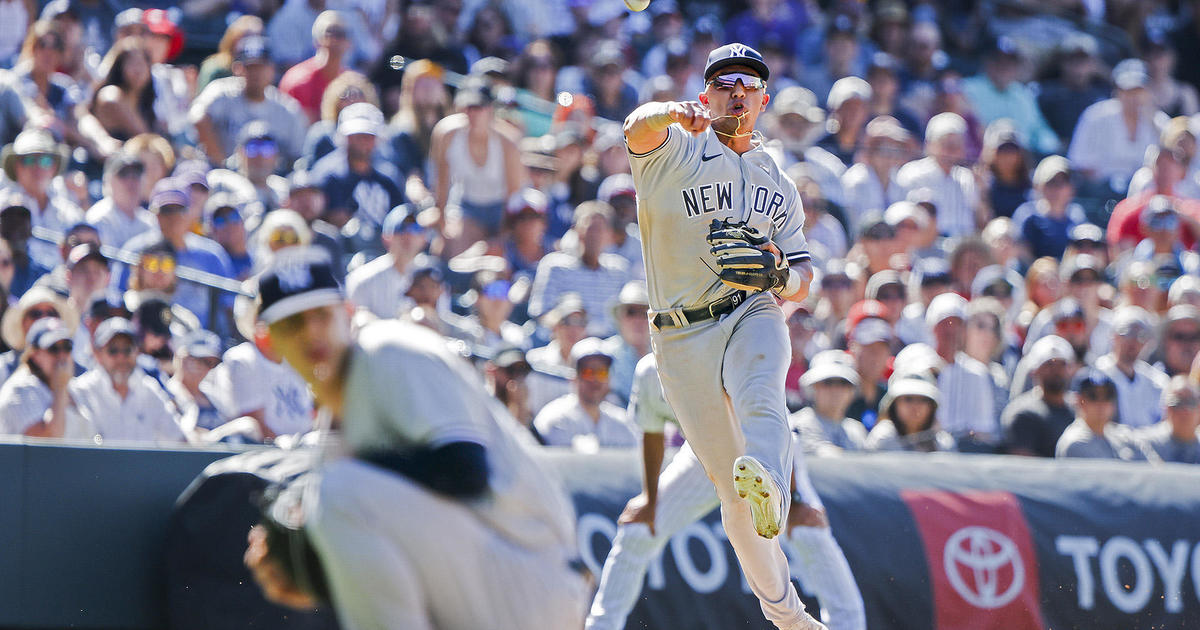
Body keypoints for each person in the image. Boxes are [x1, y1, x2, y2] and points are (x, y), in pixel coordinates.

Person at [241, 247, 587, 630]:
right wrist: (314, 570)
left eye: (321, 315)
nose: (311, 333)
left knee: (336, 493)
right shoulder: (333, 428)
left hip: (531, 570)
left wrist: (317, 510)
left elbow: (465, 471)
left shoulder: (389, 349)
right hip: (492, 577)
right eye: (292, 324)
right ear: (266, 341)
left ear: (348, 312)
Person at [622, 43, 823, 630]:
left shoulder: (777, 180)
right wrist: (669, 112)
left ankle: (772, 487)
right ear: (706, 93)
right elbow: (635, 128)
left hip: (749, 307)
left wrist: (781, 275)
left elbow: (806, 274)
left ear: (762, 100)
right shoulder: (675, 149)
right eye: (724, 81)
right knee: (732, 497)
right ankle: (788, 617)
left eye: (749, 83)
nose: (737, 90)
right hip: (681, 336)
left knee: (763, 392)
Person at [586, 353, 866, 630]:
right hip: (703, 456)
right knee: (637, 529)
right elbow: (652, 431)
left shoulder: (725, 348)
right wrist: (649, 498)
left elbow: (775, 422)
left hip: (761, 448)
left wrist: (795, 497)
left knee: (808, 529)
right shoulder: (649, 371)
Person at [429, 77, 525, 256]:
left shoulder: (508, 143)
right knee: (452, 251)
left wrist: (502, 234)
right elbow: (441, 182)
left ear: (490, 109)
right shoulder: (446, 134)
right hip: (467, 205)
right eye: (466, 107)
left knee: (497, 256)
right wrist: (442, 224)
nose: (470, 113)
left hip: (502, 210)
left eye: (477, 107)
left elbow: (513, 194)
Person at [190, 35, 306, 166]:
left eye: (260, 67)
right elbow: (197, 117)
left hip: (271, 181)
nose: (255, 74)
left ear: (272, 69)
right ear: (237, 69)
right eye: (250, 67)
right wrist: (221, 162)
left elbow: (298, 156)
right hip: (222, 177)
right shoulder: (222, 92)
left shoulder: (286, 109)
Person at [68, 317, 185, 445]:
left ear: (137, 352)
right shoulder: (79, 392)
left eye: (127, 350)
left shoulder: (149, 389)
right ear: (97, 354)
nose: (121, 357)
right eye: (113, 350)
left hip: (142, 465)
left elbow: (179, 440)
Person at [528, 200, 631, 338]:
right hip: (568, 342)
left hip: (611, 348)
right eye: (590, 228)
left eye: (600, 228)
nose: (595, 235)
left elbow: (627, 317)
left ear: (610, 234)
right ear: (575, 230)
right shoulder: (555, 266)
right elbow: (541, 314)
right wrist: (572, 328)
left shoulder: (620, 269)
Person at [533, 337, 636, 450]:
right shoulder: (555, 419)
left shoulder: (622, 422)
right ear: (573, 376)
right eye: (588, 372)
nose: (596, 379)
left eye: (602, 372)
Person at [896, 112, 981, 237]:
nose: (951, 151)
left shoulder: (966, 178)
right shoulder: (912, 174)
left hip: (961, 248)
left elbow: (975, 221)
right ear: (929, 145)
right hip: (925, 248)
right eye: (946, 145)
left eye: (957, 145)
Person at [344, 204, 429, 321]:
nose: (408, 236)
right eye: (401, 229)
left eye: (415, 229)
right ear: (386, 238)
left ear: (424, 238)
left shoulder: (432, 278)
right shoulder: (362, 280)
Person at [1056, 368, 1157, 461]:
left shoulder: (1125, 435)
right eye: (1093, 396)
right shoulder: (1075, 443)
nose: (1101, 403)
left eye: (1107, 396)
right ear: (1078, 400)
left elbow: (1155, 472)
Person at [1002, 335, 1077, 457]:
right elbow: (1023, 463)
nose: (1056, 371)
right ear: (1034, 370)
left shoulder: (1079, 410)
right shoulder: (1022, 413)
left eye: (1062, 364)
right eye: (1049, 364)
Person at [1096, 306, 1169, 429]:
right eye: (1127, 333)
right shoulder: (1097, 374)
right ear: (1113, 336)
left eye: (1141, 335)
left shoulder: (1157, 381)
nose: (1133, 341)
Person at [278, 10, 350, 124]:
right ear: (316, 41)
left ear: (349, 42)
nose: (335, 40)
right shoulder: (297, 81)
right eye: (330, 33)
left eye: (341, 34)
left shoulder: (351, 82)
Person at [790, 350, 867, 456]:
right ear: (814, 387)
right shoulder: (797, 424)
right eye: (828, 382)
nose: (836, 390)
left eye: (843, 383)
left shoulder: (856, 430)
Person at [864, 375, 955, 452]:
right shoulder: (882, 439)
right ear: (894, 404)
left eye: (923, 400)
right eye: (908, 399)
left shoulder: (943, 443)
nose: (915, 406)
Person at [85, 151, 156, 250]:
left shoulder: (150, 221)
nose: (131, 181)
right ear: (108, 181)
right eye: (123, 174)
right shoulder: (99, 219)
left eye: (136, 174)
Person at [1137, 376, 1200, 464]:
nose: (1185, 410)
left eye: (1191, 402)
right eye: (1176, 402)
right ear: (1165, 408)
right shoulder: (1145, 445)